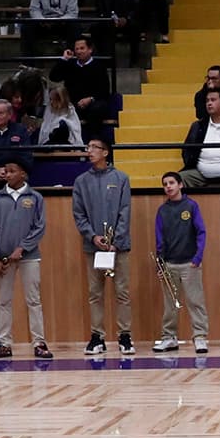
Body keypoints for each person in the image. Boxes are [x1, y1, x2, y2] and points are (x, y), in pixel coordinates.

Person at [0, 157, 50, 360]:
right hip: (3, 259)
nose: (7, 174)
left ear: (23, 174)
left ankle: (39, 343)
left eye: (12, 171)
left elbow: (40, 227)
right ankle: (3, 343)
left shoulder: (35, 197)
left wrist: (22, 248)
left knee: (34, 300)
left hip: (29, 257)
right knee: (4, 301)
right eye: (5, 171)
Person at [71, 137, 134, 356]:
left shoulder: (121, 178)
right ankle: (97, 336)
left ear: (106, 152)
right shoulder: (81, 182)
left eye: (94, 148)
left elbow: (125, 211)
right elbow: (78, 214)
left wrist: (116, 240)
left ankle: (124, 336)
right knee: (95, 293)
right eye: (88, 147)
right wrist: (92, 236)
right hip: (93, 247)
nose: (89, 151)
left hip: (119, 247)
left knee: (122, 292)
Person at [150, 171, 210, 355]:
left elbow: (201, 232)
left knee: (195, 301)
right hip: (170, 264)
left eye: (171, 183)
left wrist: (197, 257)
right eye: (165, 184)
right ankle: (169, 338)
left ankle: (200, 338)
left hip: (189, 263)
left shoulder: (191, 206)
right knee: (170, 304)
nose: (168, 186)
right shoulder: (162, 211)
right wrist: (160, 264)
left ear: (180, 185)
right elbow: (159, 239)